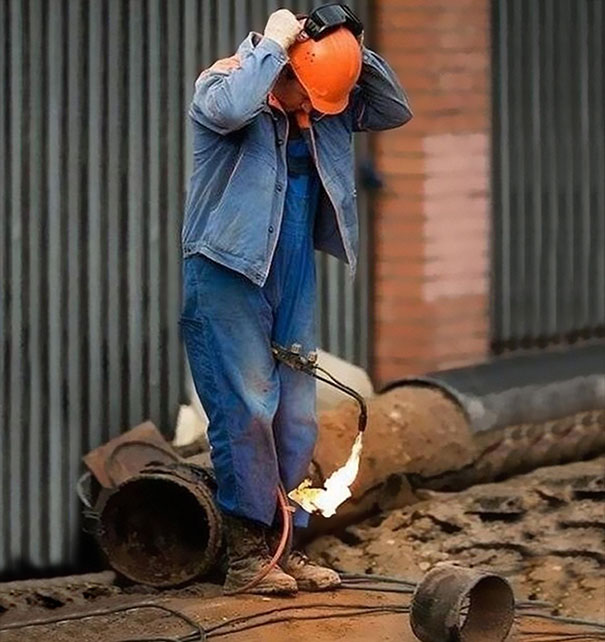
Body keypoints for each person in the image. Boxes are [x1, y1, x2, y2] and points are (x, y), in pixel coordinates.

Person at [180, 8, 412, 595]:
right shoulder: (227, 85)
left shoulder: (323, 108)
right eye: (305, 97)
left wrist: (349, 47)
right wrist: (277, 43)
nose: (312, 113)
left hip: (291, 270)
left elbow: (393, 108)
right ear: (281, 68)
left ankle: (286, 546)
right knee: (248, 408)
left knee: (296, 416)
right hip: (227, 271)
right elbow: (230, 108)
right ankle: (247, 556)